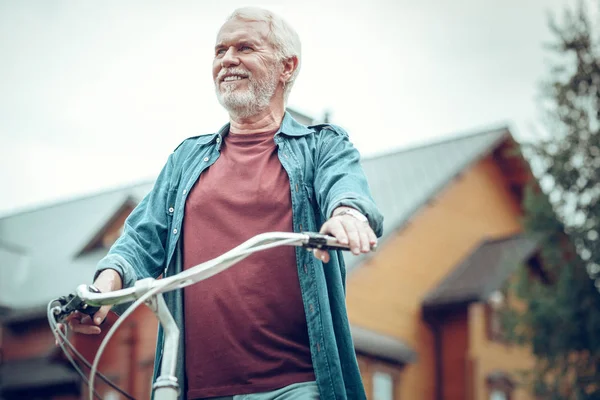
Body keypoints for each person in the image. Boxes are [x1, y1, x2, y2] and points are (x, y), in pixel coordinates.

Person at [66, 7, 383, 400]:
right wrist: (102, 289)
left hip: (296, 386)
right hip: (193, 388)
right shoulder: (187, 158)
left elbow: (345, 186)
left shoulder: (321, 146)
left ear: (287, 66)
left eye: (244, 47)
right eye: (220, 51)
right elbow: (140, 239)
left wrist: (347, 213)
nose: (227, 59)